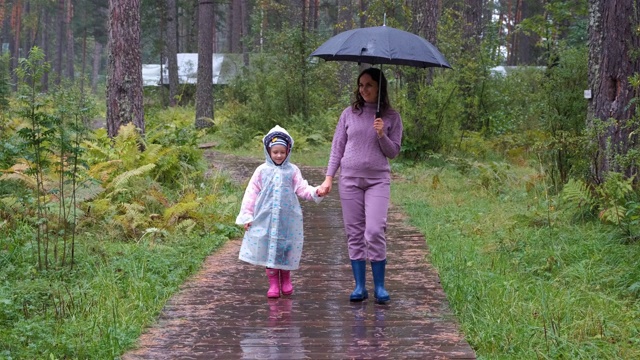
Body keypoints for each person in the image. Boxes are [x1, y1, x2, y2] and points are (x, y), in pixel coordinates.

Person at [317, 67, 403, 304]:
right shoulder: (348, 114)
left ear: (379, 87)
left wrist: (381, 134)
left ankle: (380, 287)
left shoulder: (391, 116)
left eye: (369, 85)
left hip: (378, 180)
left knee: (374, 230)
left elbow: (393, 152)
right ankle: (359, 286)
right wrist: (328, 177)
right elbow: (337, 147)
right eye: (361, 85)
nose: (363, 90)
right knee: (354, 233)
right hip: (350, 181)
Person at [236, 125, 323, 298]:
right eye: (275, 152)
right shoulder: (262, 171)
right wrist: (247, 215)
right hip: (265, 217)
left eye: (282, 152)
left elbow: (301, 188)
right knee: (270, 248)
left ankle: (286, 279)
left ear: (288, 151)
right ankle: (274, 283)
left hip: (287, 218)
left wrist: (315, 192)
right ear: (268, 151)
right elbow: (251, 193)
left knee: (285, 247)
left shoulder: (292, 171)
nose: (279, 155)